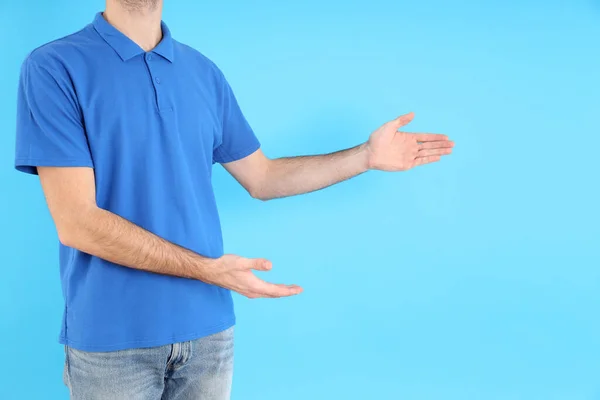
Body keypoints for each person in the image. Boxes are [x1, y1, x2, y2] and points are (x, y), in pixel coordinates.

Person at [14, 0, 454, 398]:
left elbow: (263, 177)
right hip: (112, 338)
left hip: (209, 335)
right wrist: (206, 269)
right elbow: (77, 221)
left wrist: (364, 157)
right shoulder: (55, 67)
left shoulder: (203, 72)